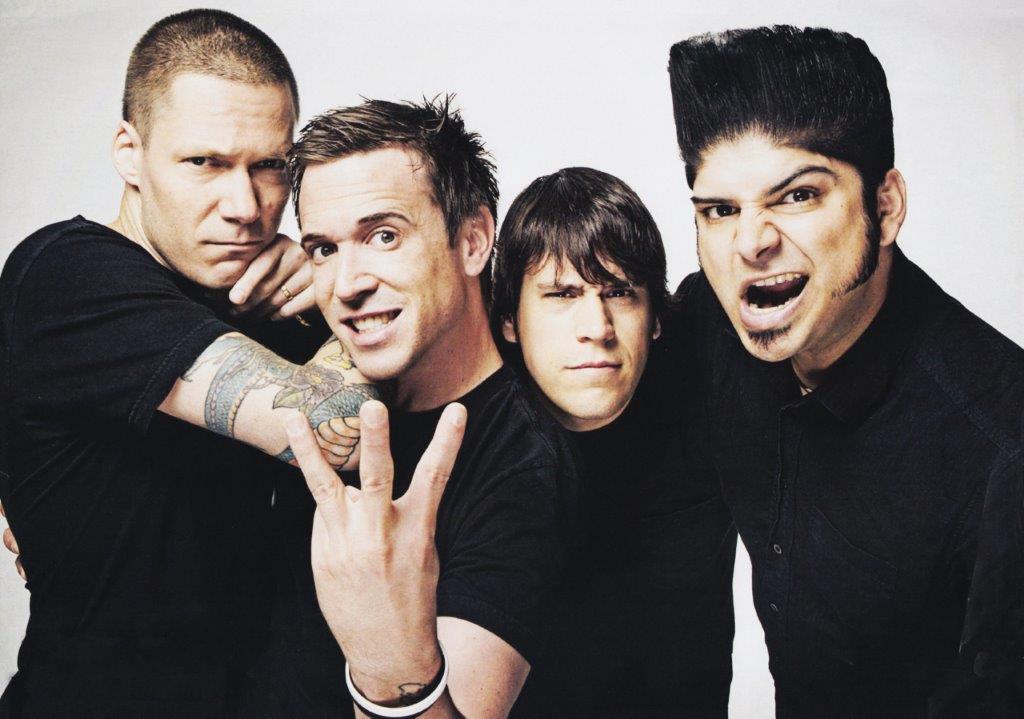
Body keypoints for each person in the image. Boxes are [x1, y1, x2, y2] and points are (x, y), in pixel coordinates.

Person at [0, 10, 377, 717]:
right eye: (205, 163)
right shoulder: (69, 272)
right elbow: (339, 427)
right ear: (129, 152)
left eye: (270, 166)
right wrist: (344, 289)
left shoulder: (278, 305)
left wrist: (323, 285)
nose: (246, 206)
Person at [668, 26, 1024, 717]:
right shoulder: (710, 331)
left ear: (884, 208)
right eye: (720, 210)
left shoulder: (999, 448)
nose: (751, 243)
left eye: (797, 196)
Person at [244, 98, 581, 718]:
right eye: (324, 249)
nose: (348, 284)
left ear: (473, 241)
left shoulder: (520, 463)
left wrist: (387, 658)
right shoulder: (316, 371)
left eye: (384, 236)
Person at [492, 167, 736, 717]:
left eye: (620, 293)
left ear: (656, 318)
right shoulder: (478, 427)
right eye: (562, 294)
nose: (597, 327)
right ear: (508, 320)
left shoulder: (707, 384)